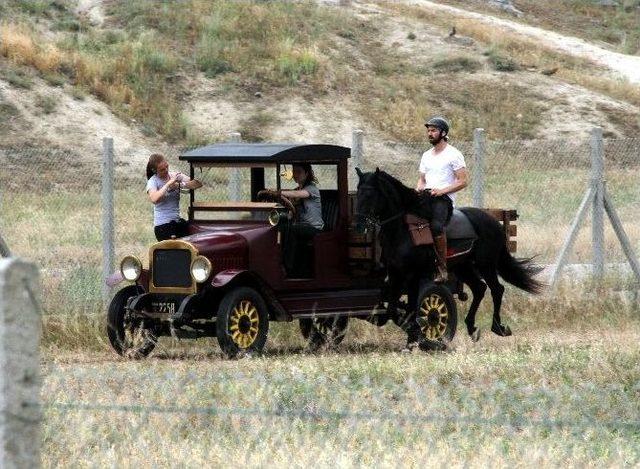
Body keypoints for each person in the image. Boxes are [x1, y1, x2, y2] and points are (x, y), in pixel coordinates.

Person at [415, 117, 469, 282]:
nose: (430, 134)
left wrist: (441, 191)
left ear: (443, 133)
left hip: (443, 199)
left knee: (436, 226)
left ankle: (442, 269)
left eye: (433, 130)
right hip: (426, 196)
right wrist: (417, 191)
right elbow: (423, 180)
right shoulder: (426, 155)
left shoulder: (454, 154)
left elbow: (462, 181)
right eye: (429, 131)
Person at [260, 163, 323, 277]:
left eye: (299, 172)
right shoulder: (296, 190)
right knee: (280, 227)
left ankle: (288, 267)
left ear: (307, 173)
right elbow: (291, 210)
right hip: (300, 226)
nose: (295, 175)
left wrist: (277, 192)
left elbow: (297, 194)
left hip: (314, 227)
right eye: (294, 172)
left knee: (290, 229)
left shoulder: (312, 189)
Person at [146, 153, 202, 241]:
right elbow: (154, 198)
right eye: (162, 170)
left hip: (176, 222)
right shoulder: (153, 181)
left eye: (167, 167)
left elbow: (197, 184)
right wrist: (168, 184)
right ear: (154, 170)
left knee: (197, 233)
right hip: (163, 226)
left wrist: (179, 185)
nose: (166, 170)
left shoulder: (174, 176)